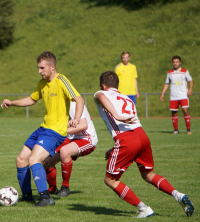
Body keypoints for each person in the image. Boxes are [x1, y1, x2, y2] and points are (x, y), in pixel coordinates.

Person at [94, 71, 194, 218]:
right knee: (148, 174)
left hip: (127, 140)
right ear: (117, 84)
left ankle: (143, 208)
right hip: (142, 136)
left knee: (110, 180)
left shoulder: (101, 93)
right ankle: (178, 195)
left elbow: (102, 97)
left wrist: (117, 116)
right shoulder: (126, 98)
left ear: (103, 85)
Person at [0, 51, 84, 207]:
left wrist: (77, 118)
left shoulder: (62, 80)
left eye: (42, 68)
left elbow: (79, 99)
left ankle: (46, 198)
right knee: (21, 159)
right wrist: (12, 102)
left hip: (56, 131)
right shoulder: (42, 83)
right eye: (38, 68)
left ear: (52, 67)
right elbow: (32, 99)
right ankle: (27, 197)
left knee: (34, 159)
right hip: (43, 128)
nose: (39, 71)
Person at [43, 101, 98, 197]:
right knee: (46, 160)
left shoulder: (73, 104)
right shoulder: (57, 103)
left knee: (65, 151)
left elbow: (83, 126)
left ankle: (65, 186)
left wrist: (61, 131)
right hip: (70, 137)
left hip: (86, 138)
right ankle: (52, 189)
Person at [160, 56, 193, 134]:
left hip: (183, 95)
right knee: (174, 112)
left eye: (177, 62)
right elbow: (167, 83)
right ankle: (176, 130)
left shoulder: (185, 71)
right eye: (174, 62)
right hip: (173, 96)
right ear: (172, 63)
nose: (175, 63)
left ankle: (188, 130)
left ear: (180, 63)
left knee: (185, 111)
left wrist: (190, 89)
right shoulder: (169, 72)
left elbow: (190, 81)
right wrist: (162, 93)